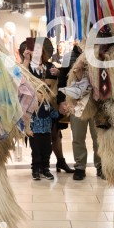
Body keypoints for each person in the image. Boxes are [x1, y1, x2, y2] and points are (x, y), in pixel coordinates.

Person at [23, 38, 74, 174]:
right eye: (33, 50)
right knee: (37, 137)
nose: (36, 53)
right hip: (33, 108)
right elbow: (20, 76)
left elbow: (62, 81)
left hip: (50, 107)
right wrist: (26, 59)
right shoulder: (27, 67)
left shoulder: (50, 66)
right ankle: (39, 165)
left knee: (55, 135)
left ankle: (60, 161)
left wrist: (59, 74)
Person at [59, 43, 102, 180]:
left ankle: (100, 166)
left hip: (96, 104)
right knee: (77, 137)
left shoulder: (98, 55)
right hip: (76, 102)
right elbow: (61, 80)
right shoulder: (67, 57)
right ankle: (80, 166)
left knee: (98, 137)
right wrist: (61, 100)